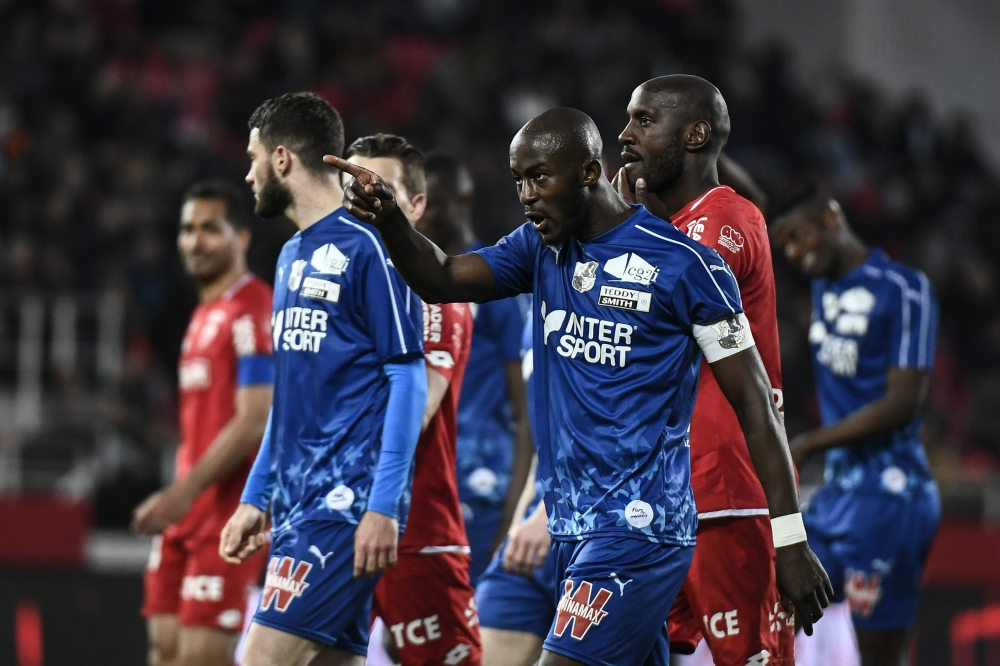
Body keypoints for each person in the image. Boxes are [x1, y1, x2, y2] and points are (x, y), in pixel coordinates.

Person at [328, 106, 831, 666]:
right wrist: (391, 220)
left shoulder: (686, 264)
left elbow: (756, 403)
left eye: (539, 177)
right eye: (518, 180)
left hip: (640, 529)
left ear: (589, 172)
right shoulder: (539, 249)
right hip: (573, 529)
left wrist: (789, 538)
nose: (526, 194)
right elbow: (441, 277)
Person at [217, 92, 427, 666]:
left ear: (282, 159)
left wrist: (383, 506)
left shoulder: (372, 244)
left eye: (253, 157)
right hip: (296, 505)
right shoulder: (290, 255)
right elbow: (292, 400)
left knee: (258, 659)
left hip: (346, 507)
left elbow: (408, 377)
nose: (248, 173)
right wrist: (256, 495)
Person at [611, 74, 794, 665]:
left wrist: (621, 230)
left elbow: (661, 310)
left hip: (725, 496)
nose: (625, 134)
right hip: (663, 496)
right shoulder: (669, 228)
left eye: (644, 121)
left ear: (693, 135)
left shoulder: (723, 221)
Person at [770, 180, 940, 666]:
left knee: (878, 657)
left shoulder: (905, 290)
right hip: (836, 497)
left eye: (799, 237)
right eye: (785, 245)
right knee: (776, 594)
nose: (796, 254)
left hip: (891, 495)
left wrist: (808, 443)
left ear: (830, 217)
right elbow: (756, 196)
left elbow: (905, 401)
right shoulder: (824, 284)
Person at [342, 134, 482, 666]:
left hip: (417, 531)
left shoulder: (435, 292)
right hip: (336, 523)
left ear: (416, 205)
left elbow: (420, 404)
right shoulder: (337, 283)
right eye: (353, 187)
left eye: (381, 189)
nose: (363, 198)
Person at [135, 179, 275, 666]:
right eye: (188, 229)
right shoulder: (202, 316)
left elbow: (256, 418)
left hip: (225, 514)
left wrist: (182, 492)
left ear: (242, 237)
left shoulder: (253, 308)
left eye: (210, 229)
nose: (195, 240)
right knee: (164, 649)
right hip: (186, 510)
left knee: (200, 658)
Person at [419, 151, 533, 584]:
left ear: (462, 205)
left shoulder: (492, 281)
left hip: (484, 488)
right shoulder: (412, 281)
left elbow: (526, 413)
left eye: (432, 201)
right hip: (431, 484)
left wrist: (514, 516)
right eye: (415, 200)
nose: (421, 212)